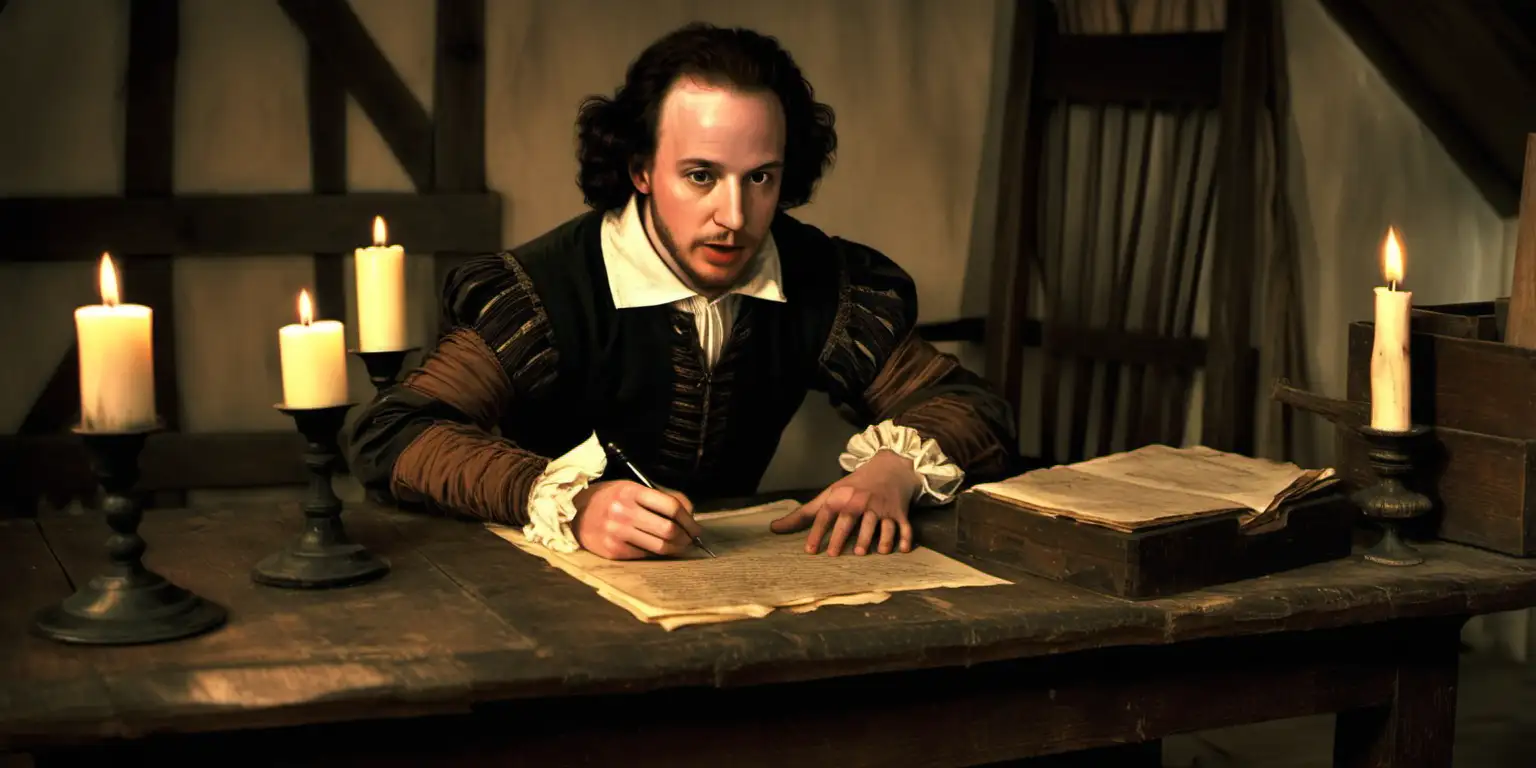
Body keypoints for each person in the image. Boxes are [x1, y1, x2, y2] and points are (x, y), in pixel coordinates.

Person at [348, 22, 1017, 561]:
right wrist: (574, 505)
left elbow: (968, 407)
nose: (734, 215)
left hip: (741, 598)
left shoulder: (822, 279)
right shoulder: (542, 292)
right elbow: (395, 433)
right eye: (701, 176)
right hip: (548, 602)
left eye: (760, 179)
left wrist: (893, 471)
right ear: (640, 168)